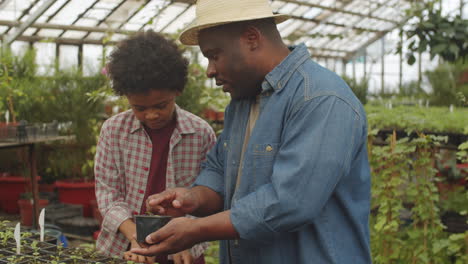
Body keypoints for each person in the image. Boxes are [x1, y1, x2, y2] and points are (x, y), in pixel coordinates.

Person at [132, 0, 372, 263]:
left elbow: (289, 203)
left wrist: (196, 230)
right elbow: (221, 173)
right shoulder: (243, 102)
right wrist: (192, 199)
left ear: (251, 38)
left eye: (214, 55)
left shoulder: (320, 99)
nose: (211, 70)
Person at [94, 30, 216, 264]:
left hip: (183, 250)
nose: (151, 114)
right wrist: (134, 235)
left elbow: (209, 194)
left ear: (177, 90)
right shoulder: (114, 131)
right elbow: (108, 194)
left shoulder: (200, 133)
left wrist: (188, 236)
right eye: (139, 108)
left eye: (161, 105)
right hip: (125, 247)